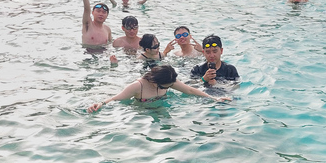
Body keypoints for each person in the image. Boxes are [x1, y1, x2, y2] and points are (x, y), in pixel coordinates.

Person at [88, 66, 229, 112]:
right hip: (143, 111)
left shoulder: (169, 79)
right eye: (167, 86)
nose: (172, 86)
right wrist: (100, 104)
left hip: (162, 107)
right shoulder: (137, 86)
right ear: (156, 82)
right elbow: (115, 99)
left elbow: (190, 90)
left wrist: (214, 99)